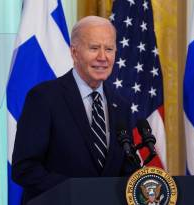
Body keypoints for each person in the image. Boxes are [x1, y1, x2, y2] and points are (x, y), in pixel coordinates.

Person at [12, 16, 135, 204]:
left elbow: (125, 170)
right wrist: (80, 192)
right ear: (74, 52)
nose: (102, 57)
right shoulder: (44, 98)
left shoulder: (122, 105)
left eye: (109, 49)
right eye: (94, 48)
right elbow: (25, 169)